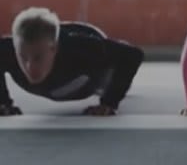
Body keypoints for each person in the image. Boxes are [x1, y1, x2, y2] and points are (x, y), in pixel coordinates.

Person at [0, 8, 144, 116]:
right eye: (23, 57)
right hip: (59, 38)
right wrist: (4, 103)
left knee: (108, 65)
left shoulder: (79, 49)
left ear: (53, 48)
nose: (30, 68)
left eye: (38, 58)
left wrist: (109, 102)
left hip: (91, 66)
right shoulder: (6, 50)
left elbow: (132, 55)